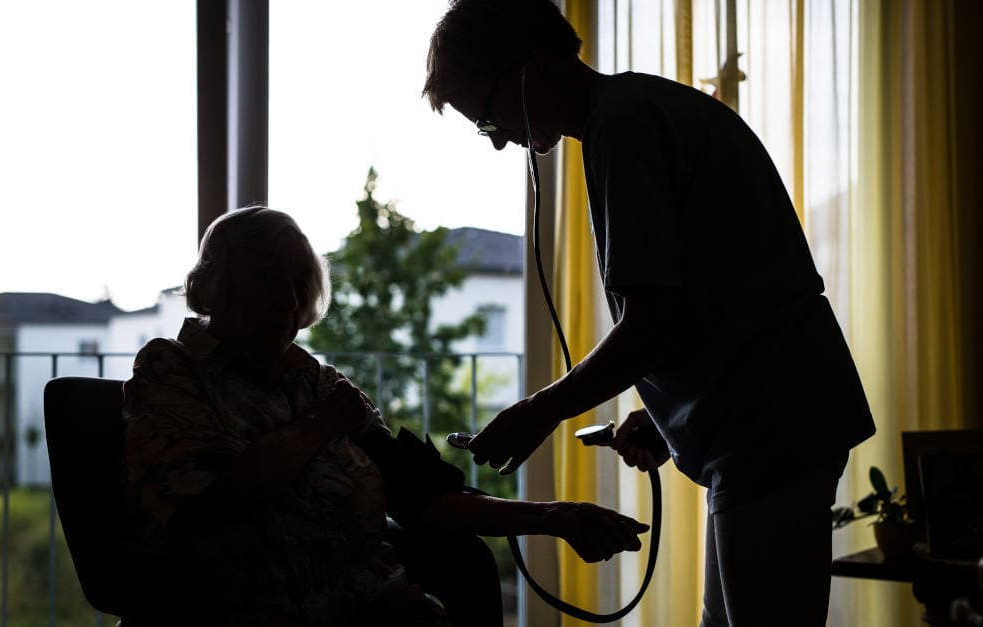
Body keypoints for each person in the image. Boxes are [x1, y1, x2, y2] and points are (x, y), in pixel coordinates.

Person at [422, 1, 876, 625]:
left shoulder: (624, 128)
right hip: (768, 421)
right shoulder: (633, 114)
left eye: (485, 117)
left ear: (526, 65)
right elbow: (714, 300)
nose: (498, 138)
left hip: (769, 427)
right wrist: (669, 421)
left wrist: (540, 412)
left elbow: (653, 320)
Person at [121, 206, 649, 627]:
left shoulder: (319, 383)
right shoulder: (173, 369)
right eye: (266, 278)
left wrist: (552, 517)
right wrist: (316, 429)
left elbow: (424, 498)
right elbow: (205, 510)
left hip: (377, 604)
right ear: (216, 285)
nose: (288, 298)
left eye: (300, 281)